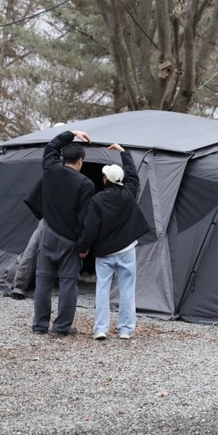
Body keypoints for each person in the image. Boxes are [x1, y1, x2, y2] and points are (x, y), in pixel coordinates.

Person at [77, 143, 150, 340]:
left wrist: (82, 248)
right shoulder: (129, 194)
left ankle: (101, 329)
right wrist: (124, 153)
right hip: (127, 250)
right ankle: (125, 330)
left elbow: (90, 228)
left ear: (105, 180)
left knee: (102, 290)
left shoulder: (97, 200)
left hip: (105, 253)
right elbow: (133, 176)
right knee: (127, 290)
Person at [32, 129, 94, 336]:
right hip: (70, 240)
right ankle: (61, 327)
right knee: (68, 284)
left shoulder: (50, 169)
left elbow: (51, 146)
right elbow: (84, 218)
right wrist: (83, 246)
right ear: (80, 161)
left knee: (43, 281)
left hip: (48, 233)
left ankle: (39, 325)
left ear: (63, 158)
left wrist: (72, 133)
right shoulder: (85, 184)